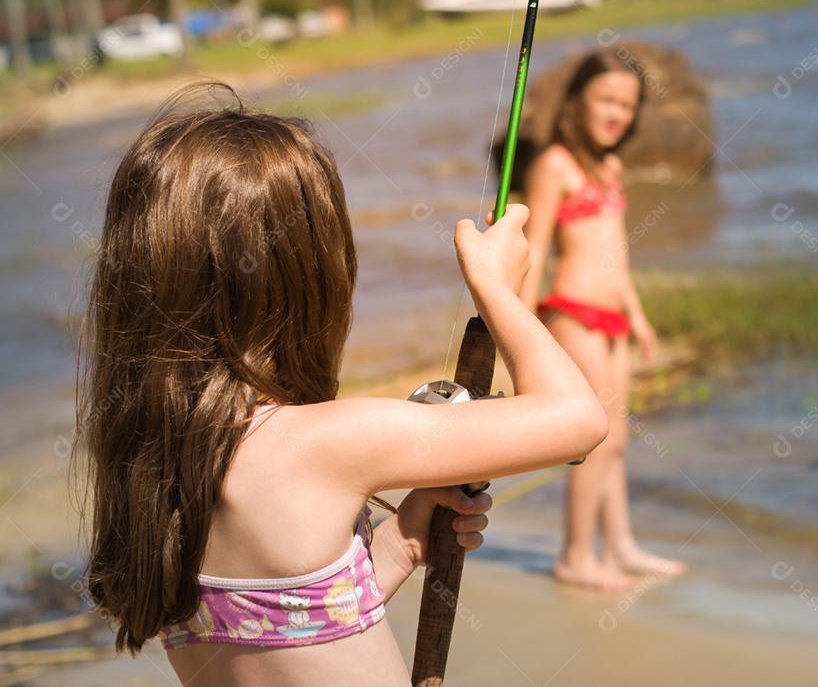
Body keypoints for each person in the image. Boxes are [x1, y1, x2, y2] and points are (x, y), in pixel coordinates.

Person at [74, 82, 608, 686]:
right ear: (314, 272)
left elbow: (283, 624)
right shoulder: (327, 442)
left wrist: (404, 541)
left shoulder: (155, 463)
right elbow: (578, 421)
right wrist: (498, 290)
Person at [518, 49, 687, 591]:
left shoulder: (610, 168)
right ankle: (575, 556)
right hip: (572, 314)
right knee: (599, 437)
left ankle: (620, 545)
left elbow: (617, 252)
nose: (618, 113)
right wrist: (517, 325)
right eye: (607, 100)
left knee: (619, 439)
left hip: (613, 318)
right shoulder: (555, 166)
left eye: (628, 105)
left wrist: (637, 314)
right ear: (576, 103)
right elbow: (536, 247)